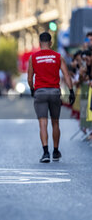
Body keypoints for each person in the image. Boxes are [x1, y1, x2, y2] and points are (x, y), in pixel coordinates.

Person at [27, 32, 75, 163]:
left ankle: (45, 152)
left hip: (40, 92)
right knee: (55, 122)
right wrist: (71, 91)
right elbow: (66, 75)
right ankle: (56, 151)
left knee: (43, 123)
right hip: (54, 92)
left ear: (39, 43)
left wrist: (32, 90)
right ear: (51, 42)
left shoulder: (33, 57)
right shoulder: (58, 57)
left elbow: (30, 78)